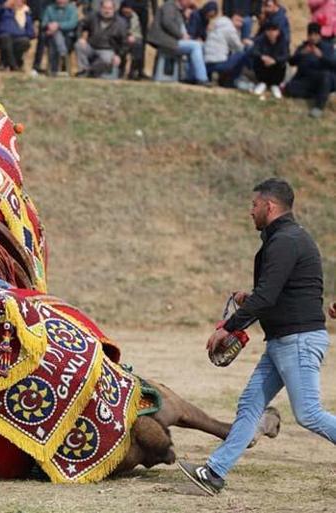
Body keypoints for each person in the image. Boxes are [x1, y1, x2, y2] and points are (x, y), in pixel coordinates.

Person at [178, 178, 335, 496]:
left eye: (254, 205)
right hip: (284, 341)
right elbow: (274, 294)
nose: (250, 211)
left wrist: (228, 327)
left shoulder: (286, 240)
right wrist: (249, 299)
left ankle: (215, 471)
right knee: (250, 404)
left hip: (299, 340)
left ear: (270, 206)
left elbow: (268, 295)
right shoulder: (284, 239)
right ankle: (214, 473)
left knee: (307, 413)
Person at [148, 0, 210, 85]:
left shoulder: (178, 10)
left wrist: (186, 17)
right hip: (164, 40)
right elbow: (167, 23)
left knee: (200, 46)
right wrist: (181, 36)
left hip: (173, 40)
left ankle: (191, 77)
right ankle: (202, 78)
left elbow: (180, 26)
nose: (190, 3)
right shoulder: (169, 6)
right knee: (195, 46)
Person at [285, 22, 336, 118]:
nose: (312, 37)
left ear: (319, 35)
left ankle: (318, 108)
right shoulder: (303, 47)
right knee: (289, 88)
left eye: (315, 35)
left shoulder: (327, 47)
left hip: (323, 79)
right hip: (306, 79)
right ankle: (316, 94)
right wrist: (301, 54)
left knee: (325, 76)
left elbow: (333, 65)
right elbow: (291, 62)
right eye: (310, 35)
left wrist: (321, 57)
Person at [75, 0, 127, 77]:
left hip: (107, 50)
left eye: (110, 8)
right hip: (91, 47)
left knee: (107, 60)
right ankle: (83, 70)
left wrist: (119, 55)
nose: (107, 11)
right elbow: (80, 24)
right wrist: (80, 37)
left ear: (114, 9)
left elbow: (124, 42)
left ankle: (90, 71)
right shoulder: (93, 16)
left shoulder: (120, 23)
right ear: (100, 8)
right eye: (105, 8)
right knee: (79, 45)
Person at [204, 13, 249, 85]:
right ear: (234, 19)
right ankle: (230, 82)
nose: (241, 25)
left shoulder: (217, 26)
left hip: (207, 63)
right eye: (239, 21)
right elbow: (239, 47)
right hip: (218, 64)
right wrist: (246, 43)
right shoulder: (230, 29)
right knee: (243, 55)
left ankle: (223, 80)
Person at [249, 20, 288, 98]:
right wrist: (262, 57)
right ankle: (262, 83)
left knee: (282, 64)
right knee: (257, 60)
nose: (271, 33)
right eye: (269, 30)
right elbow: (253, 51)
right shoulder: (261, 39)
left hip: (276, 67)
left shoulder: (283, 41)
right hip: (263, 66)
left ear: (278, 32)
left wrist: (275, 60)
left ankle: (275, 85)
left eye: (274, 30)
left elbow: (286, 55)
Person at [0, 0, 35, 70]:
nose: (17, 3)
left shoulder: (25, 14)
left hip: (19, 36)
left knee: (25, 42)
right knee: (6, 39)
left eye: (20, 1)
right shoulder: (4, 11)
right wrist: (3, 7)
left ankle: (6, 63)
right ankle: (13, 65)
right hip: (4, 35)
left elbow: (31, 32)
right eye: (16, 1)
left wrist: (23, 33)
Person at [40, 0, 78, 76]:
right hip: (51, 37)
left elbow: (73, 24)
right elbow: (44, 23)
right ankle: (63, 56)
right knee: (54, 38)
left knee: (56, 36)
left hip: (68, 37)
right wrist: (50, 26)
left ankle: (53, 70)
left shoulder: (72, 9)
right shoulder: (49, 8)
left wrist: (58, 25)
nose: (61, 1)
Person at [119, 0, 144, 79]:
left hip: (132, 40)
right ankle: (121, 70)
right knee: (123, 47)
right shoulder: (117, 17)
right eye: (126, 8)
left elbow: (138, 32)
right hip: (118, 40)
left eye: (130, 8)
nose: (128, 10)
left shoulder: (134, 17)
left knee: (138, 45)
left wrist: (134, 37)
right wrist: (127, 35)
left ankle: (133, 71)